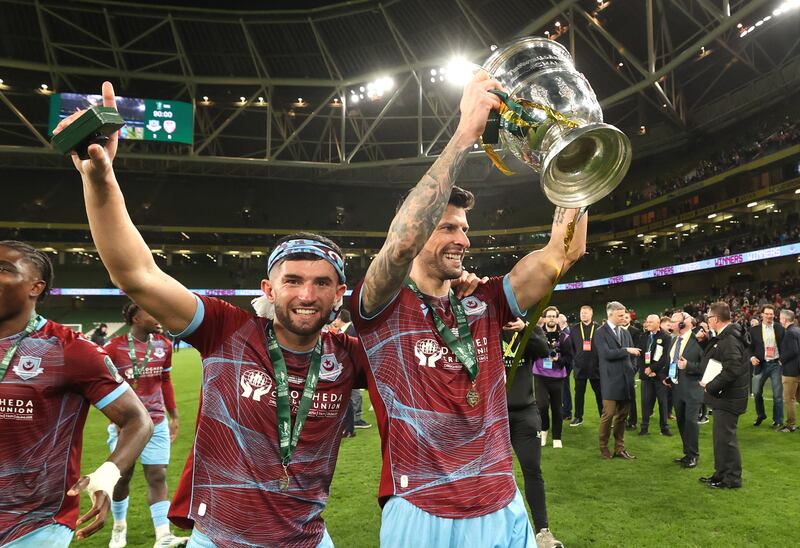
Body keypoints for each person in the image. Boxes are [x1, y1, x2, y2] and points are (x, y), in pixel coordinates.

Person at [58, 83, 372, 547]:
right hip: (219, 538)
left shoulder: (350, 355)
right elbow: (137, 275)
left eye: (322, 283)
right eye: (293, 281)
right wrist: (100, 180)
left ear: (340, 293)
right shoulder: (227, 329)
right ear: (267, 288)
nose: (307, 295)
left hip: (310, 539)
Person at [351, 70, 587, 547]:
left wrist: (574, 171)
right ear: (420, 234)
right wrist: (465, 134)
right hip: (423, 507)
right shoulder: (379, 308)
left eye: (464, 228)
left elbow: (561, 256)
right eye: (448, 228)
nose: (463, 239)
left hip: (501, 499)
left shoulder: (486, 301)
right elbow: (398, 247)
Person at [0, 240, 152, 547]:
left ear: (35, 287)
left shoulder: (69, 349)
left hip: (33, 524)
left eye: (3, 269)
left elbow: (138, 420)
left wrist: (108, 474)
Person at [103, 301, 183, 548]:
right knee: (122, 477)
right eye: (152, 312)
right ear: (136, 318)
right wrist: (115, 419)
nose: (159, 315)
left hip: (156, 421)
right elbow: (104, 388)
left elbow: (165, 381)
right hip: (126, 423)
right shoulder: (113, 348)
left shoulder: (165, 345)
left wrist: (174, 415)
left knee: (157, 475)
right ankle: (119, 526)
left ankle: (163, 536)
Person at [503, 318, 563, 548]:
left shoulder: (526, 328)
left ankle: (543, 532)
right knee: (493, 472)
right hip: (494, 414)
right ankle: (496, 528)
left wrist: (526, 328)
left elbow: (544, 352)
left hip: (524, 412)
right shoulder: (485, 326)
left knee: (532, 470)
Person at [700, 302, 749, 489]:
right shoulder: (728, 336)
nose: (707, 321)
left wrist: (711, 386)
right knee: (721, 439)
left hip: (728, 398)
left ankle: (732, 479)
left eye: (709, 318)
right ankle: (720, 474)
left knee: (727, 440)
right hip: (726, 397)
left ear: (715, 319)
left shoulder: (729, 339)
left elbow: (733, 369)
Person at [594, 301, 639, 460]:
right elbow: (606, 354)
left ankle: (619, 448)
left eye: (623, 315)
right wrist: (626, 350)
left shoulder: (625, 332)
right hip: (610, 380)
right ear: (610, 314)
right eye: (620, 315)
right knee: (609, 414)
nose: (623, 318)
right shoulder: (600, 332)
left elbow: (634, 355)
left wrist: (633, 369)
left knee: (622, 416)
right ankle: (603, 447)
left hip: (626, 380)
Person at [665, 311, 705, 469]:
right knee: (681, 421)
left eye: (674, 322)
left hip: (693, 389)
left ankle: (694, 455)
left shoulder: (699, 341)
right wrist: (669, 376)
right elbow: (672, 362)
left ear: (683, 324)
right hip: (677, 387)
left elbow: (705, 367)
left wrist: (688, 366)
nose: (670, 325)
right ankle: (687, 453)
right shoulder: (674, 340)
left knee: (690, 422)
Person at [533, 306, 572, 448]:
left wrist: (558, 361)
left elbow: (569, 358)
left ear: (557, 319)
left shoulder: (565, 337)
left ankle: (557, 437)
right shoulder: (537, 335)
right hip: (540, 375)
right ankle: (544, 430)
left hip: (557, 377)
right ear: (544, 318)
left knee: (557, 409)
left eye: (553, 316)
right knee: (542, 406)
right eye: (548, 316)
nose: (551, 318)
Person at [331, 309, 371, 432]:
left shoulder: (352, 330)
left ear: (340, 318)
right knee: (348, 395)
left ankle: (356, 419)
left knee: (354, 393)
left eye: (337, 318)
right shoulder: (344, 330)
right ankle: (350, 421)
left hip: (353, 368)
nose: (335, 321)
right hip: (346, 368)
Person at [749, 304, 785, 428]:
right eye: (767, 313)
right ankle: (761, 414)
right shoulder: (754, 330)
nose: (769, 316)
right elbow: (749, 347)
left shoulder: (780, 328)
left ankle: (778, 420)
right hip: (761, 364)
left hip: (776, 364)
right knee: (756, 392)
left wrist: (783, 359)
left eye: (771, 314)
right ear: (762, 315)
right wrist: (752, 357)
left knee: (777, 394)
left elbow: (786, 345)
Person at [637, 314, 671, 436]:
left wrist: (652, 368)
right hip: (646, 376)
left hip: (660, 375)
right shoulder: (643, 336)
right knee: (645, 402)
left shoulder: (666, 337)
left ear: (658, 323)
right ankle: (644, 428)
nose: (648, 324)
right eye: (647, 322)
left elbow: (665, 357)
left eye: (651, 322)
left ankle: (664, 428)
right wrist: (646, 370)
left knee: (663, 402)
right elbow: (640, 356)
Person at [568, 305, 602, 427]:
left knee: (600, 394)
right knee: (579, 394)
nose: (583, 315)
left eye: (586, 313)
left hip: (596, 367)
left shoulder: (599, 328)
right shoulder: (574, 329)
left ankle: (604, 416)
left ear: (591, 314)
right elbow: (571, 347)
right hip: (580, 367)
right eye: (582, 313)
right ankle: (578, 416)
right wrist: (575, 360)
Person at [777, 309, 800, 432]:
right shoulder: (797, 330)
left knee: (789, 399)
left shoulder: (790, 332)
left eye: (780, 318)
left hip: (791, 371)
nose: (779, 320)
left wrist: (781, 359)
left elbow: (793, 351)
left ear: (785, 320)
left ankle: (790, 425)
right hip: (798, 369)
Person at [621, 311, 642, 430]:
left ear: (630, 319)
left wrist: (633, 368)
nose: (624, 319)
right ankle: (622, 419)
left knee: (630, 396)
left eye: (626, 317)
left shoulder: (635, 331)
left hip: (630, 367)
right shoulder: (616, 331)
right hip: (619, 368)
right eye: (622, 317)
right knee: (620, 396)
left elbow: (637, 351)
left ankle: (632, 420)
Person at [557, 314, 573, 421]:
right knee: (564, 388)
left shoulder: (566, 333)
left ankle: (567, 411)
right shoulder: (566, 331)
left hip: (565, 364)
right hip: (566, 363)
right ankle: (565, 410)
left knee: (565, 388)